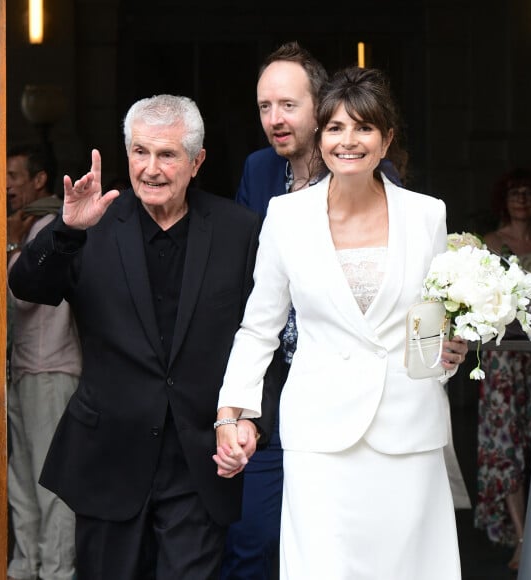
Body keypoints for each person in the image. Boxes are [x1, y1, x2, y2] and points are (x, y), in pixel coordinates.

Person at [213, 66, 468, 580]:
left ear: (386, 139)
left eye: (364, 128)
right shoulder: (285, 217)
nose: (348, 141)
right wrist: (230, 413)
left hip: (408, 431)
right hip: (320, 436)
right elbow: (259, 327)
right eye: (335, 128)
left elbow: (433, 320)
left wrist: (451, 353)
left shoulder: (427, 215)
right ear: (320, 136)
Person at [8, 94, 271, 579]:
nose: (151, 168)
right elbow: (27, 285)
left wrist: (251, 418)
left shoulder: (241, 231)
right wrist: (65, 231)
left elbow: (264, 335)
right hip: (108, 456)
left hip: (199, 460)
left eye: (167, 154)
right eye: (140, 152)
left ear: (197, 161)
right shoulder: (92, 221)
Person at [220, 40, 328, 580]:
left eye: (288, 105)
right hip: (270, 383)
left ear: (320, 105)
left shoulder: (361, 170)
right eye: (265, 107)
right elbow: (245, 275)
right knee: (252, 535)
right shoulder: (259, 170)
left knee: (329, 537)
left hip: (336, 385)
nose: (275, 119)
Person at [6, 142, 80, 580]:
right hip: (24, 369)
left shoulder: (51, 224)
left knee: (49, 484)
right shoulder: (25, 223)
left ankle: (54, 571)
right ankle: (23, 566)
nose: (7, 185)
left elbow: (19, 295)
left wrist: (12, 237)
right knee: (20, 482)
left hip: (51, 368)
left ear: (38, 180)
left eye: (14, 176)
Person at [474, 168, 531, 572]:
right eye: (515, 193)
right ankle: (521, 538)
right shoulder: (490, 244)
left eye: (529, 193)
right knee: (507, 445)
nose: (522, 199)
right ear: (504, 199)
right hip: (503, 351)